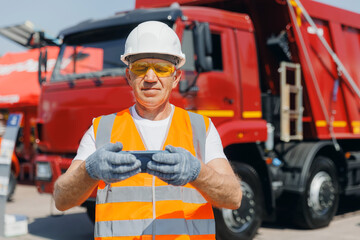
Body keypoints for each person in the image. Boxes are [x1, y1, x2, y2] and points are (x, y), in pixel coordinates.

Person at [54, 21, 242, 239]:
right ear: (129, 76)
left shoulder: (201, 128)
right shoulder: (101, 130)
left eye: (161, 68)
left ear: (176, 77)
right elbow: (61, 200)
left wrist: (197, 172)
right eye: (140, 68)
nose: (150, 78)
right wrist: (89, 170)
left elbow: (233, 197)